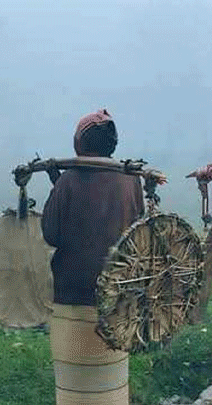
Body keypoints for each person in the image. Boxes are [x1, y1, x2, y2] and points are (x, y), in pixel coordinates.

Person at [41, 109, 144, 405]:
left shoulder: (68, 181)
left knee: (77, 389)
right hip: (119, 298)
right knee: (109, 386)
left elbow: (51, 233)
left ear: (80, 143)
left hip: (73, 297)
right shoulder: (131, 180)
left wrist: (58, 189)